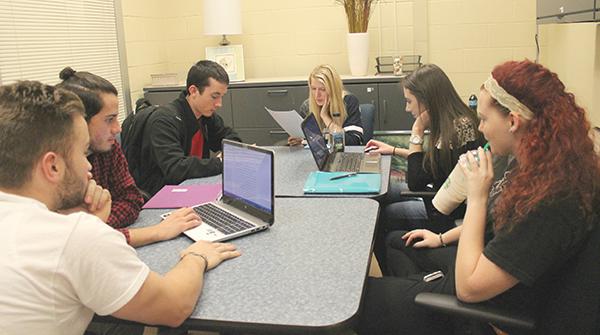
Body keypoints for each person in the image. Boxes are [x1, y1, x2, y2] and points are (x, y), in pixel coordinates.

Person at [356, 60, 600, 334]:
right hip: (488, 270)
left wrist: (477, 196)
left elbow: (469, 288)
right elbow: (497, 229)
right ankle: (417, 293)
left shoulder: (551, 199)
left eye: (484, 119)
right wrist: (440, 238)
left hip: (487, 306)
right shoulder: (543, 166)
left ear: (512, 121)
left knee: (363, 299)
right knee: (402, 255)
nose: (480, 128)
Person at [0, 81, 241, 334]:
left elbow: (129, 198)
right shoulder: (75, 237)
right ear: (53, 167)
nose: (89, 167)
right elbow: (173, 307)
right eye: (83, 154)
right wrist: (197, 256)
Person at [57, 67, 201, 248]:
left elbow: (132, 199)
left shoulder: (108, 147)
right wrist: (154, 232)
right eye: (109, 119)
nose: (118, 129)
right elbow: (68, 239)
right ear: (79, 121)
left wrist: (96, 222)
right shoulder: (54, 170)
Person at [367, 64, 484, 269]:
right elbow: (437, 163)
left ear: (427, 101)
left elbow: (416, 180)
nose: (407, 108)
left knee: (384, 215)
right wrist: (394, 150)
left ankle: (395, 270)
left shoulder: (458, 129)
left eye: (409, 101)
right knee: (383, 196)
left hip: (446, 211)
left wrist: (417, 131)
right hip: (440, 196)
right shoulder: (458, 120)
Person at [138, 60, 242, 197]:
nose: (219, 104)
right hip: (166, 193)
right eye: (214, 97)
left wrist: (231, 153)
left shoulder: (206, 115)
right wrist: (220, 162)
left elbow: (229, 137)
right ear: (193, 91)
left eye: (221, 97)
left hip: (194, 184)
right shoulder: (164, 121)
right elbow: (176, 169)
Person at [288, 64, 364, 146]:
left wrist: (325, 117)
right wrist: (302, 141)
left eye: (323, 89)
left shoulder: (348, 102)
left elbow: (354, 142)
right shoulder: (307, 106)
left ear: (333, 89)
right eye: (313, 89)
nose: (317, 95)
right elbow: (313, 141)